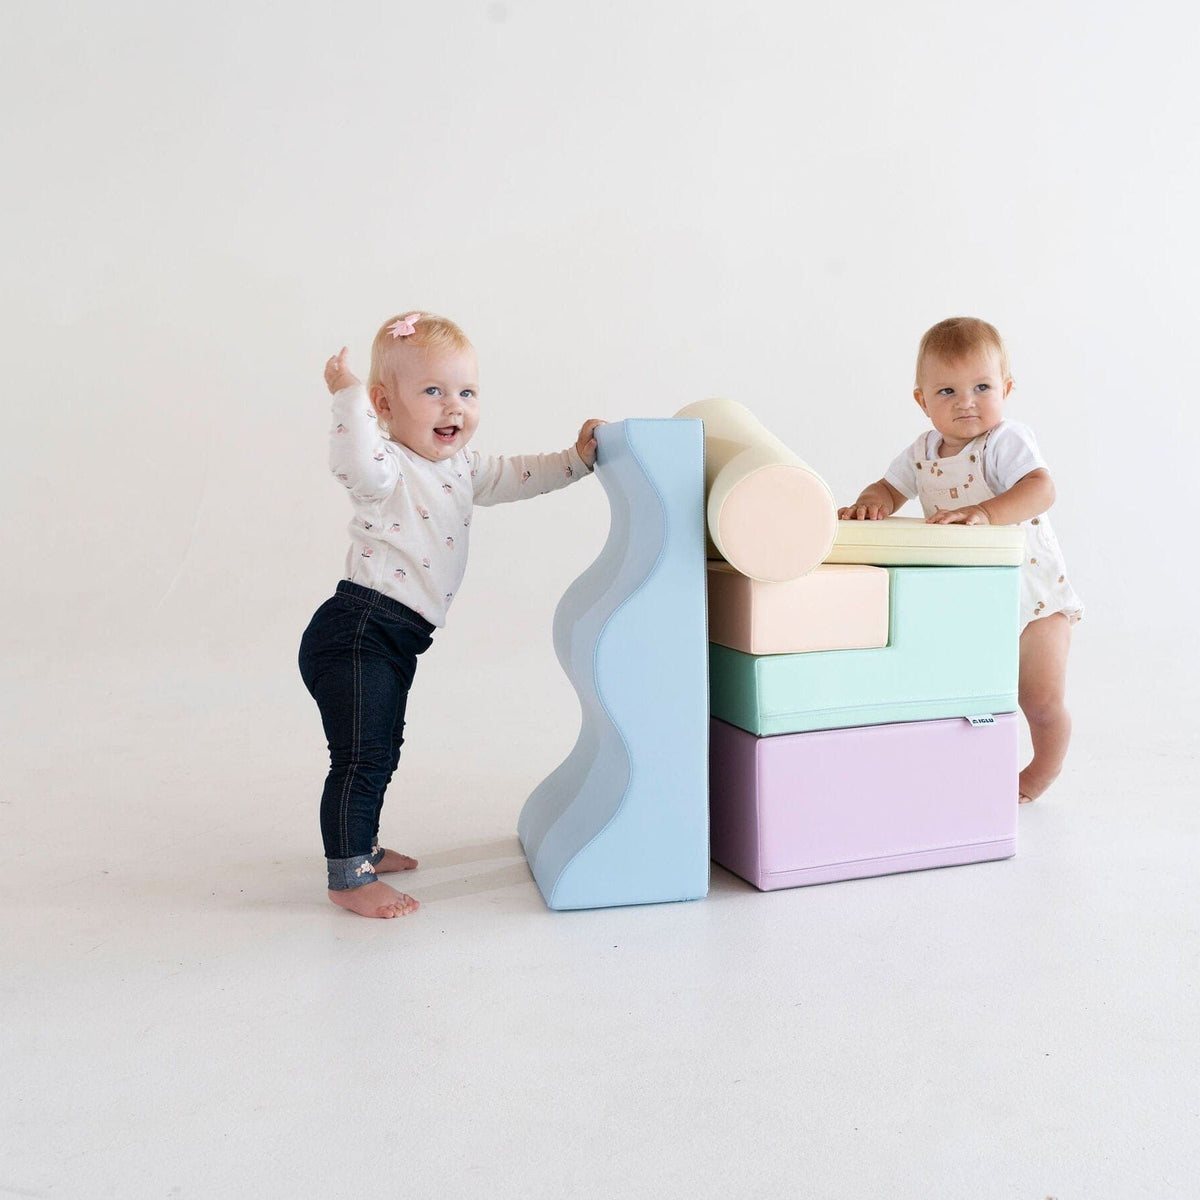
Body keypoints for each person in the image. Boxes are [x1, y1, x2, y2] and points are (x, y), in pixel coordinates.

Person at [300, 311, 604, 918]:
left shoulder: (461, 468)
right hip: (358, 630)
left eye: (466, 392)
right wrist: (347, 395)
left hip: (396, 637)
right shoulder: (384, 467)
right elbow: (352, 461)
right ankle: (348, 876)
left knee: (383, 746)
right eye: (433, 392)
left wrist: (577, 459)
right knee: (362, 755)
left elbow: (521, 475)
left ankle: (362, 843)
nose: (453, 408)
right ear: (385, 405)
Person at [838, 317, 1082, 804]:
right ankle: (967, 767)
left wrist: (986, 512)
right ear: (922, 400)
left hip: (1032, 597)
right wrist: (873, 501)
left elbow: (1042, 488)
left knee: (1039, 699)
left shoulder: (1004, 441)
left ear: (1006, 389)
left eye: (982, 386)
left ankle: (1040, 772)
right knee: (969, 696)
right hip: (969, 599)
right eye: (947, 390)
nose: (966, 402)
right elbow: (890, 488)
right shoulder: (922, 451)